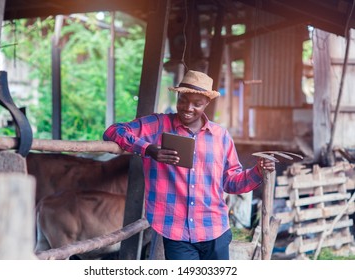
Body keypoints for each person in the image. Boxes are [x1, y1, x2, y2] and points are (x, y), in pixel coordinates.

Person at [103, 70, 275, 260]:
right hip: (176, 233)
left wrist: (258, 170)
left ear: (207, 104)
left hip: (215, 229)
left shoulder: (221, 136)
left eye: (197, 104)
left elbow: (231, 183)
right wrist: (149, 149)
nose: (188, 108)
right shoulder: (158, 125)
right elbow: (113, 131)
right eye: (183, 100)